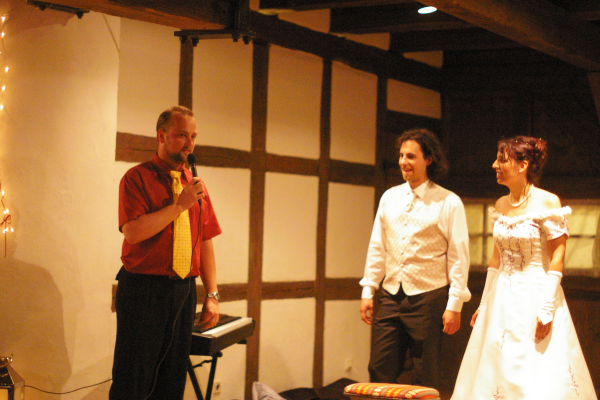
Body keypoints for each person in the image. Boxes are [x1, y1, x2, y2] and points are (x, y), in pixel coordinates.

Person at [451, 136, 597, 399]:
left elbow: (558, 255)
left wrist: (547, 307)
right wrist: (484, 304)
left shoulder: (547, 202)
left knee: (534, 367)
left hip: (536, 293)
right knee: (496, 366)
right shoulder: (500, 205)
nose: (494, 165)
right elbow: (496, 260)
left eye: (502, 160)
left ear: (523, 165)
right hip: (502, 297)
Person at [110, 106, 222, 400]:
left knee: (172, 380)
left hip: (184, 289)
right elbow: (133, 232)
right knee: (134, 379)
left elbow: (205, 240)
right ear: (162, 136)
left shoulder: (195, 185)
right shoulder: (136, 178)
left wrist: (212, 294)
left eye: (194, 136)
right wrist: (179, 206)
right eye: (182, 135)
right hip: (144, 289)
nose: (189, 144)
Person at [359, 128, 471, 388]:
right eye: (401, 156)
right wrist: (368, 288)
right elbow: (378, 245)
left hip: (428, 297)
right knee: (379, 366)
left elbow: (458, 255)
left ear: (428, 159)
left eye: (410, 156)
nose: (403, 162)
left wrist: (455, 304)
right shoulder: (390, 197)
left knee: (425, 373)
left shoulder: (448, 202)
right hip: (391, 294)